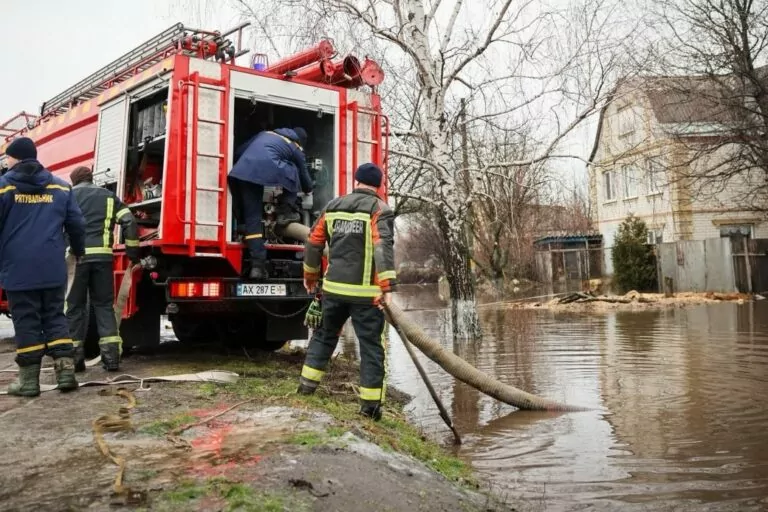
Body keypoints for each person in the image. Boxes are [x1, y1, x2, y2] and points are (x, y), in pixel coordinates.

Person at [299, 163, 397, 421]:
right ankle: (370, 409)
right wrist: (387, 287)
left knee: (323, 337)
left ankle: (305, 389)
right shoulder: (380, 210)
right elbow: (382, 247)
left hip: (332, 291)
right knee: (371, 348)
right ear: (378, 185)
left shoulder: (332, 206)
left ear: (356, 181)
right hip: (366, 295)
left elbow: (313, 242)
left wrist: (310, 277)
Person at [0, 137, 86, 397]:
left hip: (18, 267)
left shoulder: (3, 187)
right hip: (52, 265)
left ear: (14, 158)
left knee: (26, 320)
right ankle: (66, 373)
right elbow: (77, 224)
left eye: (7, 157)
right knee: (55, 316)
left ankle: (28, 382)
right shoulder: (61, 187)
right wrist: (78, 251)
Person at [66, 166, 140, 373]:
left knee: (74, 307)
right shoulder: (108, 197)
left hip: (76, 259)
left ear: (74, 181)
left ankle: (75, 360)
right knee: (104, 305)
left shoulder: (67, 196)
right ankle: (111, 359)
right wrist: (133, 253)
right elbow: (129, 221)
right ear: (91, 178)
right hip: (103, 259)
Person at [228, 127, 313, 280]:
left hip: (240, 173)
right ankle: (285, 212)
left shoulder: (264, 134)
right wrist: (308, 188)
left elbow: (238, 152)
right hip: (256, 175)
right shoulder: (296, 147)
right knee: (294, 169)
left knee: (252, 220)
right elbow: (305, 182)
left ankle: (257, 268)